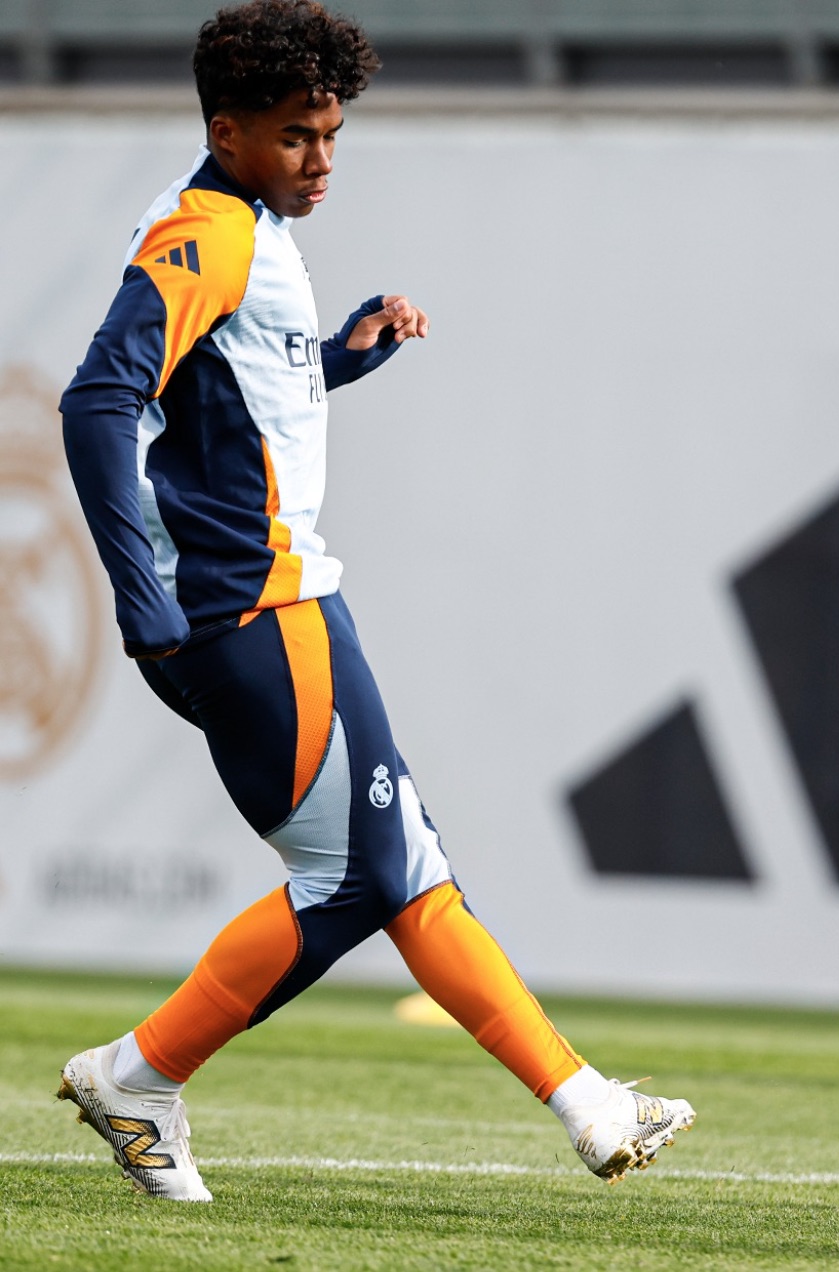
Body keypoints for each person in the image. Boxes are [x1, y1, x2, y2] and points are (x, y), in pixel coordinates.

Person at [56, 0, 695, 1203]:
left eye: (334, 133)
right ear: (228, 129)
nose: (322, 158)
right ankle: (139, 1075)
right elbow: (99, 401)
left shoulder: (245, 226)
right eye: (298, 135)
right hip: (252, 612)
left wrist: (344, 356)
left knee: (399, 860)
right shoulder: (209, 232)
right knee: (362, 876)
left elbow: (221, 399)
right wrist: (140, 596)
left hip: (283, 601)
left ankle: (589, 1104)